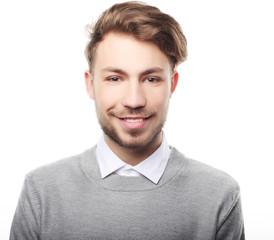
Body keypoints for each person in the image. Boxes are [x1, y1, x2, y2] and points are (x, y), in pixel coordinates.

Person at [10, 1, 245, 239]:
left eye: (151, 79)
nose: (134, 101)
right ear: (90, 85)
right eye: (115, 78)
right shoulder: (41, 192)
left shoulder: (219, 196)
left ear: (172, 85)